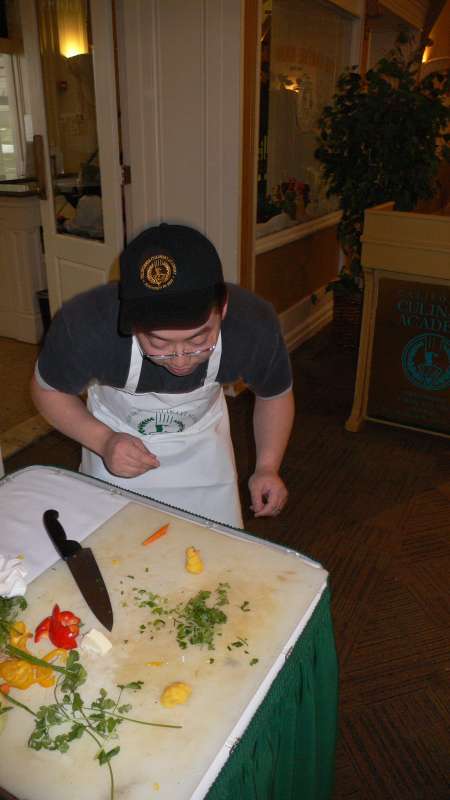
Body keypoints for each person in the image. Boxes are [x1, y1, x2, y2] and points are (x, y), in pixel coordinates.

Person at [31, 223, 294, 528]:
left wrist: (267, 466)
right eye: (159, 343)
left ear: (222, 308)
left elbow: (274, 394)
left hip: (203, 448)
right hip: (113, 435)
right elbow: (46, 391)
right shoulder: (86, 326)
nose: (180, 359)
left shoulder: (253, 326)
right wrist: (103, 441)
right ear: (131, 321)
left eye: (198, 339)